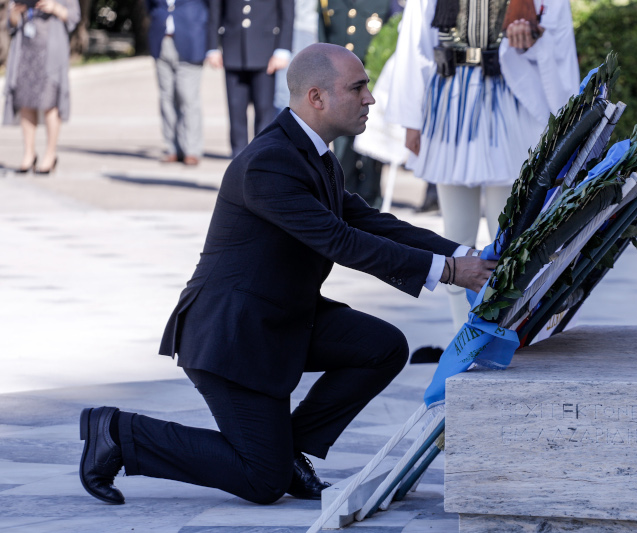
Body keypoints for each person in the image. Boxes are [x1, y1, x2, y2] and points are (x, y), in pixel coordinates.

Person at [78, 43, 496, 506]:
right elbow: (341, 242)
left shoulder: (313, 153)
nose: (370, 99)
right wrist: (451, 271)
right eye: (357, 88)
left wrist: (466, 253)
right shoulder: (270, 162)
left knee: (382, 348)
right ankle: (117, 432)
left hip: (282, 318)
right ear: (316, 97)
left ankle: (288, 449)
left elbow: (370, 222)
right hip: (233, 337)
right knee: (263, 480)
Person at [384, 0, 579, 331]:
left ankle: (508, 326)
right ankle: (464, 333)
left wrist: (530, 40)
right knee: (457, 231)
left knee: (513, 230)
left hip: (511, 101)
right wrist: (410, 119)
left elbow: (557, 39)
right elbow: (415, 41)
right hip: (450, 100)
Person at [317, 0, 393, 208]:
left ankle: (371, 204)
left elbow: (392, 38)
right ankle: (344, 202)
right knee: (342, 153)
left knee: (371, 154)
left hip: (373, 87)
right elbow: (323, 44)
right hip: (340, 90)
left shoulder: (385, 4)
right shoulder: (328, 3)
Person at [206, 0, 294, 157]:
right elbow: (215, 11)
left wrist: (283, 48)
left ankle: (263, 157)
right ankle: (238, 159)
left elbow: (287, 13)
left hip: (266, 49)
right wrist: (212, 47)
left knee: (264, 109)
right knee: (235, 108)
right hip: (233, 47)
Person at [2, 0, 80, 175]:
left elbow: (74, 18)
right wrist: (15, 14)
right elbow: (10, 23)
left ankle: (49, 155)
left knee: (50, 102)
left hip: (51, 53)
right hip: (25, 51)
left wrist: (55, 8)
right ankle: (29, 154)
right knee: (25, 101)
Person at [147, 0, 213, 166]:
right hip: (161, 40)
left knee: (188, 98)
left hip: (191, 40)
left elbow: (212, 8)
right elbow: (150, 5)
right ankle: (172, 148)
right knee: (166, 98)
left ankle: (192, 149)